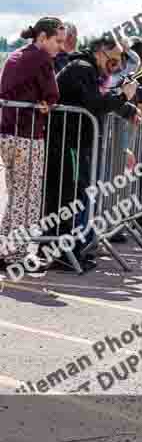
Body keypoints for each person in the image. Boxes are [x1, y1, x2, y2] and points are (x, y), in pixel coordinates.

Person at [44, 34, 140, 270]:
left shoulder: (88, 69)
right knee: (68, 197)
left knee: (75, 195)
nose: (116, 65)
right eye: (114, 59)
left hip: (76, 141)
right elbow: (93, 104)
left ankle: (70, 250)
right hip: (67, 141)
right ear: (100, 52)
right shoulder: (82, 68)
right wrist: (123, 95)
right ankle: (61, 253)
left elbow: (97, 101)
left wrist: (126, 107)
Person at [0, 17, 64, 268]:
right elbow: (53, 94)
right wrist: (47, 104)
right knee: (27, 197)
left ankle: (6, 249)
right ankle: (14, 253)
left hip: (7, 132)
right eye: (57, 41)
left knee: (17, 195)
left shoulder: (16, 54)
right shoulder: (40, 59)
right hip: (27, 134)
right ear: (42, 37)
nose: (60, 46)